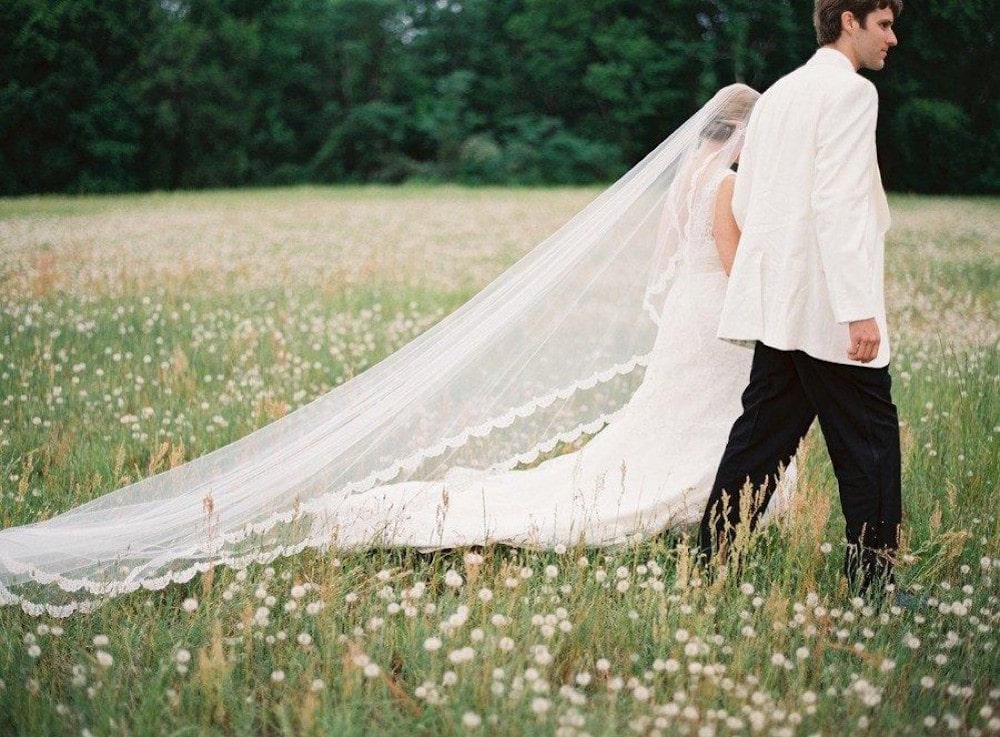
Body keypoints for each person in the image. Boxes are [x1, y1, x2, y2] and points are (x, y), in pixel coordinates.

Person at [0, 85, 796, 617]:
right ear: (741, 133)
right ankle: (710, 509)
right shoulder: (726, 182)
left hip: (687, 317)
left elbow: (670, 259)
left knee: (673, 416)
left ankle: (708, 505)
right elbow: (733, 267)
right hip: (715, 319)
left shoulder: (684, 178)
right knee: (706, 417)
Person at [698, 0, 902, 596]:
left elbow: (746, 200)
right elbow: (840, 205)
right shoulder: (852, 93)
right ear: (849, 21)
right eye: (884, 24)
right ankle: (873, 586)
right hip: (828, 309)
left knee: (760, 440)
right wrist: (857, 310)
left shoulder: (779, 94)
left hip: (781, 305)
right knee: (870, 442)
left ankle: (709, 564)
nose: (892, 38)